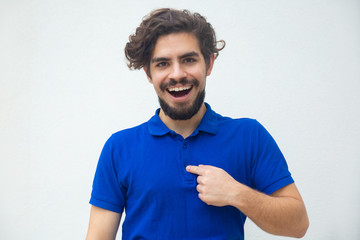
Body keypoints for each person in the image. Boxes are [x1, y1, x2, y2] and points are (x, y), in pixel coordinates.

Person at [86, 8, 309, 240]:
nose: (177, 74)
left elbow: (298, 225)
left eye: (188, 60)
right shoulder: (119, 148)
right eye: (163, 64)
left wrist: (237, 194)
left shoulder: (249, 136)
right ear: (148, 73)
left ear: (209, 64)